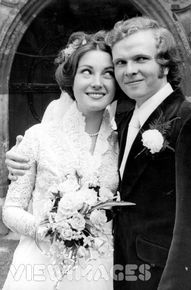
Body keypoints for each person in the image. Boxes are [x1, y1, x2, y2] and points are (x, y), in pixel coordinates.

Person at [5, 16, 191, 290]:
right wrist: (51, 226)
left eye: (141, 59)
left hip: (157, 278)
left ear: (165, 65)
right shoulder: (124, 121)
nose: (129, 70)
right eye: (120, 63)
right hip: (99, 272)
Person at [3, 30, 119, 290]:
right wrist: (50, 228)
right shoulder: (38, 137)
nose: (97, 82)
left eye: (108, 73)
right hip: (38, 268)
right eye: (87, 71)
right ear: (71, 79)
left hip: (97, 269)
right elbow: (10, 210)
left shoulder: (120, 143)